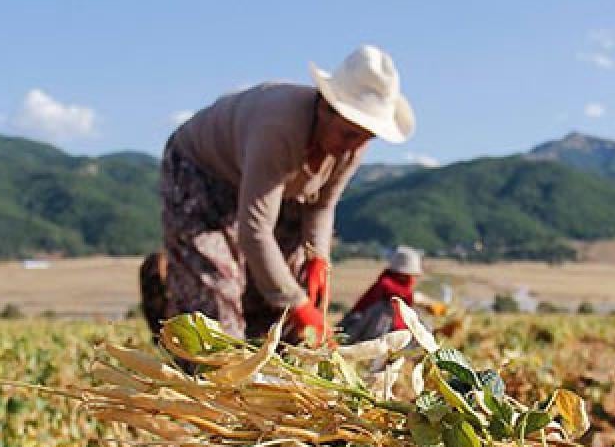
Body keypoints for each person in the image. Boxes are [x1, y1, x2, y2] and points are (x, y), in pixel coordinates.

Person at [140, 45, 414, 345]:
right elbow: (254, 231)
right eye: (349, 135)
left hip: (272, 187)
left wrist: (318, 257)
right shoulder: (278, 128)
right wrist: (296, 303)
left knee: (282, 288)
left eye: (365, 138)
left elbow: (321, 205)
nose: (354, 147)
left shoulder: (352, 145)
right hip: (203, 171)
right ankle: (199, 356)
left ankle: (268, 367)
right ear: (325, 108)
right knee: (216, 289)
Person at [337, 245, 423, 342]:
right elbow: (400, 294)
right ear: (403, 275)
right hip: (359, 326)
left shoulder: (398, 284)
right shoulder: (385, 284)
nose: (413, 280)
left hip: (368, 326)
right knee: (385, 310)